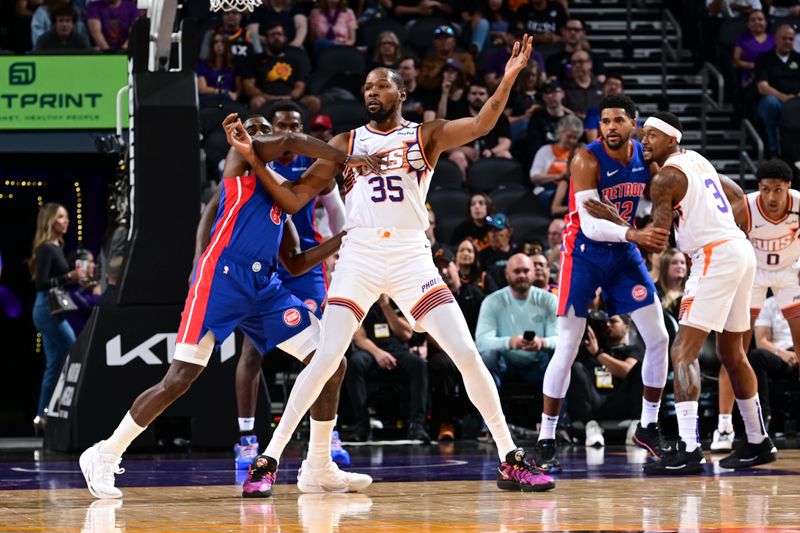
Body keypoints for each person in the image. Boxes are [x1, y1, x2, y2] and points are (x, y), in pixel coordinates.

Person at [227, 34, 557, 494]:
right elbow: (295, 194)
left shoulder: (425, 134)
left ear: (401, 94)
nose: (371, 93)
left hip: (409, 255)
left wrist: (507, 78)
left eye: (381, 86)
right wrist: (253, 162)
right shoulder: (345, 142)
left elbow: (483, 123)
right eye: (367, 87)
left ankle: (510, 458)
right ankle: (268, 462)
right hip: (359, 254)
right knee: (326, 357)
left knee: (464, 352)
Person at [78, 117, 385, 500]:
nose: (256, 133)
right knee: (180, 378)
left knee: (331, 361)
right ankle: (105, 454)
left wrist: (344, 238)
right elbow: (289, 138)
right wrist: (349, 156)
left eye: (262, 128)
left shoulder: (279, 194)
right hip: (221, 279)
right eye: (252, 128)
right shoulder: (239, 163)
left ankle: (319, 464)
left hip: (264, 289)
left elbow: (295, 262)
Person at [594, 111, 776, 474]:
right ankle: (758, 441)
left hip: (714, 256)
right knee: (731, 351)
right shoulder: (697, 160)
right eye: (643, 136)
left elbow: (658, 241)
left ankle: (690, 447)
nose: (644, 142)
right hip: (740, 251)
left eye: (652, 136)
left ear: (671, 140)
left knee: (682, 351)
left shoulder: (666, 178)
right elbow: (738, 194)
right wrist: (724, 229)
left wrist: (614, 219)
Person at [534, 95, 671, 475]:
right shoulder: (586, 159)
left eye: (618, 120)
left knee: (659, 339)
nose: (610, 127)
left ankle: (648, 426)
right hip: (584, 253)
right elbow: (592, 224)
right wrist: (637, 234)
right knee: (568, 343)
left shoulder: (646, 155)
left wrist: (658, 222)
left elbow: (665, 193)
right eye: (605, 121)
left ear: (634, 124)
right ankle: (546, 438)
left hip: (625, 252)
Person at [713, 158, 800, 451]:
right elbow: (723, 239)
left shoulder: (799, 205)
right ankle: (723, 426)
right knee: (735, 349)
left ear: (788, 187)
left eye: (777, 189)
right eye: (765, 189)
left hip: (789, 274)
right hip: (754, 274)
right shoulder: (746, 207)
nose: (771, 197)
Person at [345, 295, 430, 442]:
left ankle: (417, 425)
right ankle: (362, 426)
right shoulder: (362, 301)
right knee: (354, 363)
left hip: (398, 351)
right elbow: (359, 338)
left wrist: (386, 306)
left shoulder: (400, 300)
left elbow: (406, 334)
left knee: (419, 365)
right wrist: (378, 353)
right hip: (371, 352)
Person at [29, 203, 82, 434]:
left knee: (53, 366)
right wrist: (69, 276)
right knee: (75, 351)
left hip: (51, 309)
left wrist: (75, 279)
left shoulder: (57, 246)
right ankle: (69, 410)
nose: (66, 221)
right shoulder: (46, 249)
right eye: (61, 217)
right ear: (50, 221)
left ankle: (42, 416)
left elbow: (56, 280)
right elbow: (40, 283)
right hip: (45, 309)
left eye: (67, 216)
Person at [476, 253, 558, 397]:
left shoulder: (549, 300)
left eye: (526, 271)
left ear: (533, 272)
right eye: (517, 271)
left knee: (561, 357)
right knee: (488, 356)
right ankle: (489, 419)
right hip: (506, 366)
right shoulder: (491, 301)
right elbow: (481, 343)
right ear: (507, 274)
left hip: (539, 364)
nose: (522, 275)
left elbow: (560, 340)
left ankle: (556, 418)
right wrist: (510, 342)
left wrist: (542, 343)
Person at [427, 244, 486, 440]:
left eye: (447, 265)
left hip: (472, 347)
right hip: (443, 350)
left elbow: (483, 329)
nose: (443, 271)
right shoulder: (429, 297)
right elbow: (428, 334)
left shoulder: (474, 294)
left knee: (478, 360)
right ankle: (446, 422)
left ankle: (477, 421)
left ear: (457, 267)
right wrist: (454, 349)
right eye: (438, 267)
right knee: (441, 365)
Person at [567, 313, 646, 447]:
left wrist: (598, 354)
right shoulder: (588, 350)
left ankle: (635, 426)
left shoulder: (633, 349)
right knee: (575, 368)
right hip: (594, 403)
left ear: (626, 327)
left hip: (620, 402)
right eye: (605, 323)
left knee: (640, 370)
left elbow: (627, 371)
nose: (608, 325)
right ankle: (591, 426)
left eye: (613, 322)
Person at [755, 24, 800, 157]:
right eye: (784, 38)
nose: (787, 42)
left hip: (797, 101)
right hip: (776, 100)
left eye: (791, 39)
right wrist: (784, 97)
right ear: (776, 39)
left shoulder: (799, 58)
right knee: (770, 103)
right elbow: (762, 87)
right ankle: (774, 148)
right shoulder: (764, 59)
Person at [529, 114, 582, 212]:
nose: (571, 141)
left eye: (575, 138)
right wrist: (558, 176)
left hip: (569, 191)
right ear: (560, 132)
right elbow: (534, 177)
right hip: (547, 190)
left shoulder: (577, 154)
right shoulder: (545, 150)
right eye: (569, 136)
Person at [197, 31, 240, 104]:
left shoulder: (234, 65)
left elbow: (239, 89)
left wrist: (236, 95)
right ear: (212, 46)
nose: (219, 45)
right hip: (208, 100)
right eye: (216, 42)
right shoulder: (202, 65)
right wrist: (221, 92)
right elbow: (202, 89)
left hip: (228, 100)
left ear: (227, 45)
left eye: (223, 42)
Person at [655, 248, 688, 319]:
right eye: (674, 263)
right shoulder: (656, 292)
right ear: (665, 267)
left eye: (682, 263)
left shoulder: (691, 291)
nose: (680, 266)